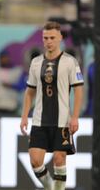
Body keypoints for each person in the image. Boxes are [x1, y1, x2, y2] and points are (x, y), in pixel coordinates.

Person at [20, 21, 84, 190]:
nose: (48, 41)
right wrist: (24, 115)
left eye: (52, 37)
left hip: (62, 120)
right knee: (35, 160)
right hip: (39, 119)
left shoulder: (70, 62)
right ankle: (51, 188)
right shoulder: (35, 62)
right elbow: (30, 91)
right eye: (45, 38)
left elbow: (78, 90)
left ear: (60, 38)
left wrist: (75, 117)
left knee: (59, 158)